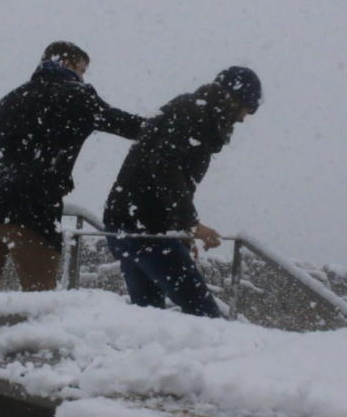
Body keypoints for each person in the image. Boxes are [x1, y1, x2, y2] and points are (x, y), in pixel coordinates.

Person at [0, 41, 144, 293]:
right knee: (39, 297)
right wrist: (171, 126)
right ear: (67, 63)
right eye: (82, 70)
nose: (82, 77)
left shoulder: (12, 98)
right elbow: (128, 125)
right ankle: (34, 333)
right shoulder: (78, 96)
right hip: (30, 209)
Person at [103, 66, 262, 317]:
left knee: (148, 316)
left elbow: (167, 173)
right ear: (233, 98)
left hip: (128, 220)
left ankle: (149, 356)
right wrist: (191, 223)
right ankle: (224, 355)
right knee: (205, 315)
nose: (243, 118)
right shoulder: (193, 115)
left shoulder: (194, 113)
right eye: (246, 109)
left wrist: (180, 228)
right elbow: (165, 169)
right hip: (144, 226)